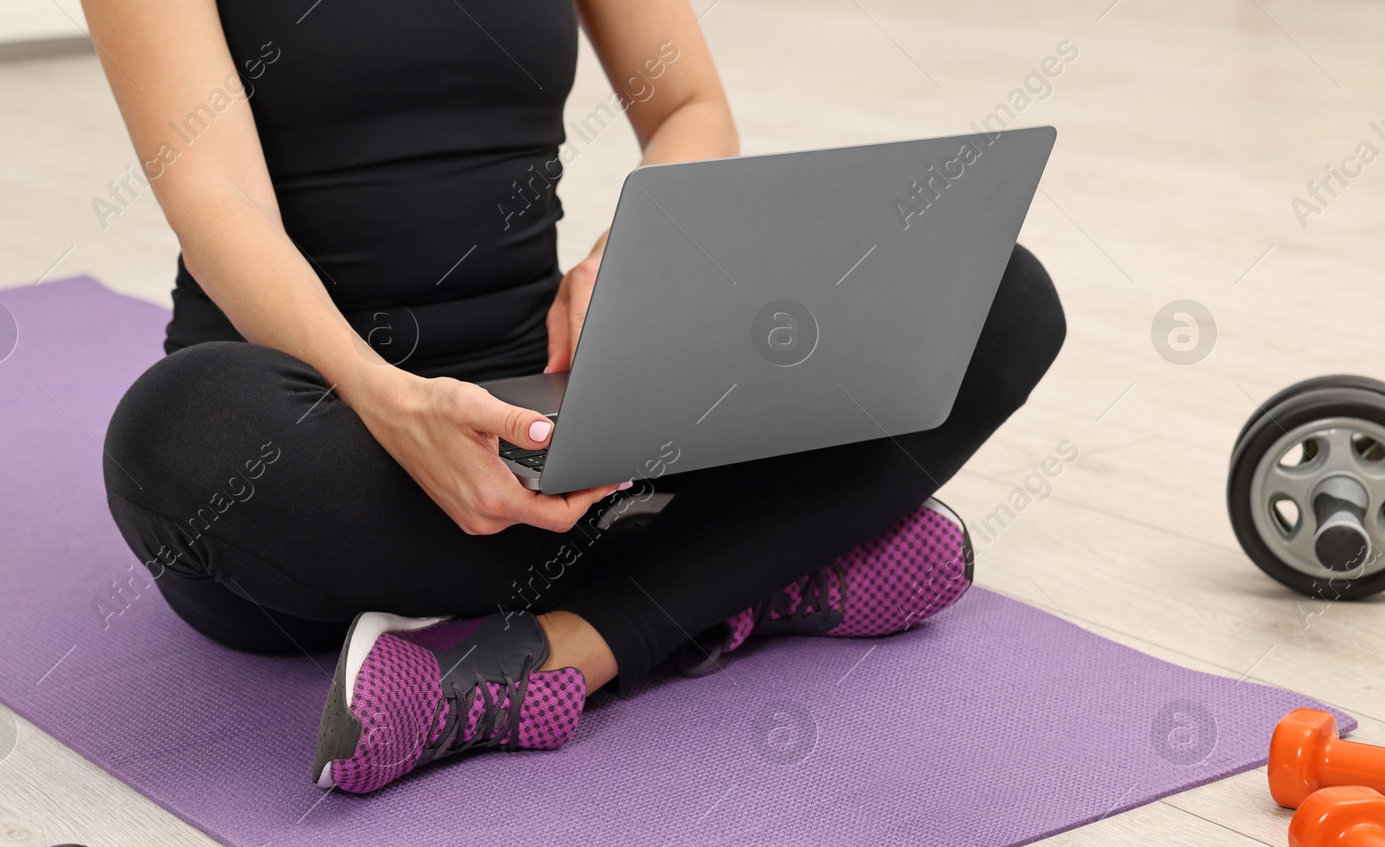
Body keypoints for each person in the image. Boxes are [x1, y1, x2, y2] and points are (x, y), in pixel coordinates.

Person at [87, 0, 1066, 794]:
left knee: (995, 295)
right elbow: (218, 198)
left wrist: (638, 263)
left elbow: (688, 103)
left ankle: (571, 646)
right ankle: (747, 569)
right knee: (176, 434)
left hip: (554, 415)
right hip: (325, 429)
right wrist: (388, 399)